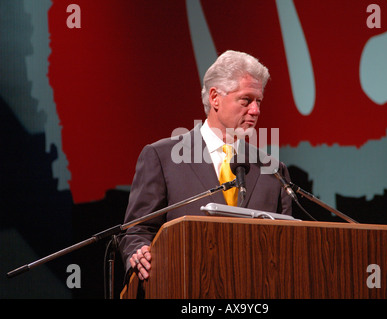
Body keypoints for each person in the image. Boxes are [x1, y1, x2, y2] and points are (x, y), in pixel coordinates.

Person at [119, 50, 293, 281]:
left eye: (258, 101)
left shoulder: (273, 170)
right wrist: (138, 252)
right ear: (214, 98)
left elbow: (290, 242)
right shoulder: (163, 157)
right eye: (246, 100)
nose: (256, 110)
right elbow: (138, 230)